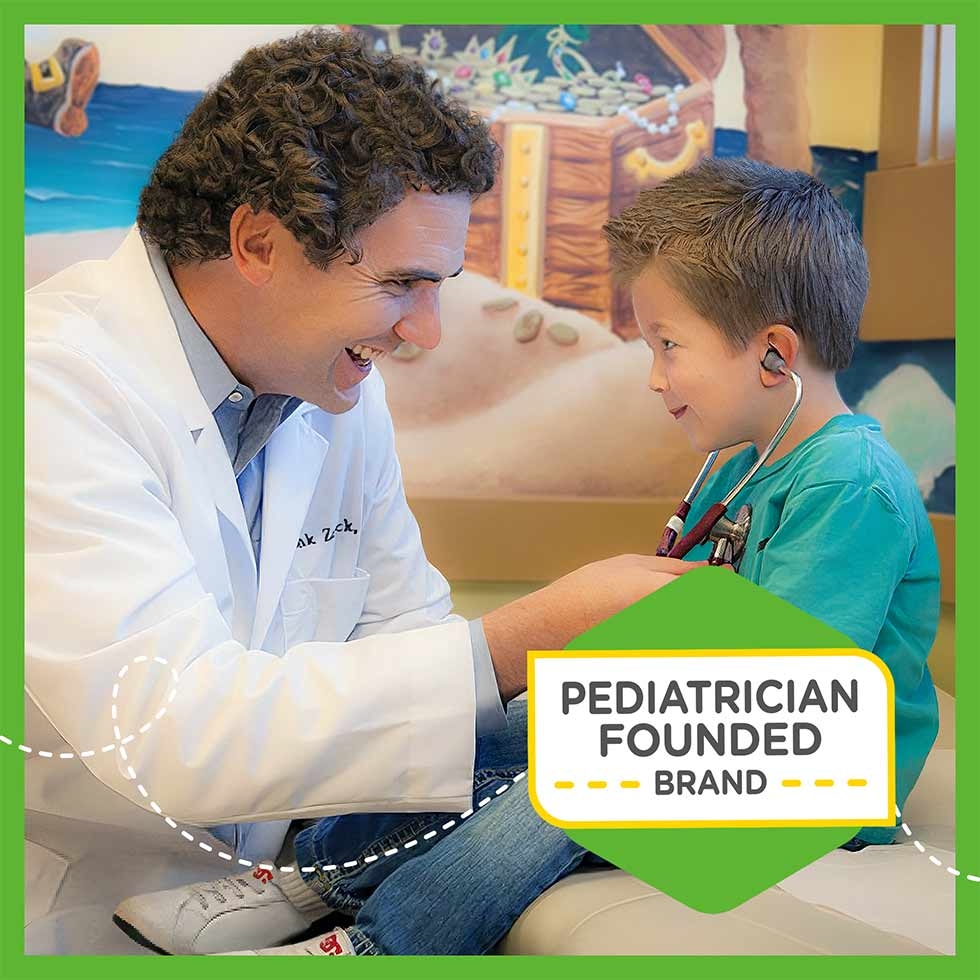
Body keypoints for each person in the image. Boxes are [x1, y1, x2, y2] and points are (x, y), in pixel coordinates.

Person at [26, 28, 698, 957]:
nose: (425, 331)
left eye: (440, 286)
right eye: (400, 284)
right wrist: (526, 634)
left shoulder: (333, 392)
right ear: (258, 242)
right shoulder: (49, 385)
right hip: (66, 910)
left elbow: (405, 637)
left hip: (259, 893)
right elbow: (170, 728)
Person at [602, 156, 940, 849]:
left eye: (668, 347)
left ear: (775, 356)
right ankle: (334, 876)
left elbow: (784, 690)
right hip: (718, 743)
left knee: (548, 794)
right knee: (501, 735)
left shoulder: (851, 484)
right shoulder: (741, 470)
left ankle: (380, 943)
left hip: (806, 780)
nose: (654, 379)